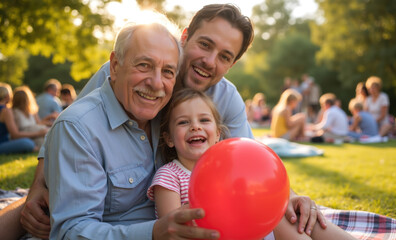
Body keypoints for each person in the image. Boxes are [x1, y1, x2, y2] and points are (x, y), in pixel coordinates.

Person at [18, 4, 325, 239]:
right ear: (185, 38)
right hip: (133, 203)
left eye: (225, 56)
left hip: (174, 202)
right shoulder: (124, 72)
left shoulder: (224, 96)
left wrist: (292, 196)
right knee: (27, 215)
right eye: (205, 45)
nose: (209, 61)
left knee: (291, 216)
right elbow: (70, 130)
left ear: (232, 64)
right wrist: (36, 187)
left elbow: (249, 166)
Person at [147, 88, 355, 240]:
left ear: (218, 134)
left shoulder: (230, 167)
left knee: (294, 218)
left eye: (204, 120)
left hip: (255, 231)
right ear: (169, 138)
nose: (195, 127)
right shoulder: (169, 176)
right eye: (184, 122)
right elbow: (172, 229)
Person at [0, 84, 47, 154]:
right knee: (27, 143)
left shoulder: (8, 110)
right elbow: (15, 135)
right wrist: (38, 133)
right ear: (7, 96)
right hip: (3, 143)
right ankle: (37, 148)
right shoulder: (6, 111)